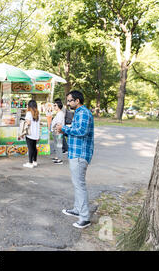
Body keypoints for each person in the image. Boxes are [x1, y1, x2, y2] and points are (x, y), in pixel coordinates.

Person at [56, 90, 94, 229]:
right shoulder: (79, 113)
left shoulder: (83, 112)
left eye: (70, 100)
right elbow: (76, 130)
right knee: (77, 183)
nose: (68, 103)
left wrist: (64, 128)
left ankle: (84, 218)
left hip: (80, 154)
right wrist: (64, 130)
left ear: (77, 101)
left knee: (79, 185)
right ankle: (78, 210)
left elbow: (81, 131)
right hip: (75, 153)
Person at [23, 100, 40, 168]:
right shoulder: (38, 114)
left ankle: (30, 163)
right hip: (36, 134)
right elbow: (38, 125)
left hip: (30, 134)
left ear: (29, 106)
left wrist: (24, 120)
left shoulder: (29, 113)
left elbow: (28, 123)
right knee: (34, 148)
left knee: (30, 148)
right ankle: (34, 161)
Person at [50, 99, 65, 164]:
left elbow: (58, 124)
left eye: (55, 105)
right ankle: (57, 157)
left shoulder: (60, 113)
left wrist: (56, 131)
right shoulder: (59, 113)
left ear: (58, 106)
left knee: (59, 145)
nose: (54, 107)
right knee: (56, 145)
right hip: (56, 131)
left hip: (58, 132)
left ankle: (60, 159)